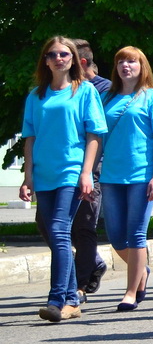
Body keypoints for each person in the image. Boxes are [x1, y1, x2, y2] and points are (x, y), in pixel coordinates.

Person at [20, 37, 108, 323]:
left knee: (59, 231)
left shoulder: (84, 92)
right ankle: (72, 298)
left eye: (65, 54)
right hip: (44, 175)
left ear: (73, 59)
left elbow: (94, 135)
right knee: (55, 234)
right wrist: (27, 177)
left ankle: (57, 299)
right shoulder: (36, 96)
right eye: (53, 54)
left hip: (72, 172)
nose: (59, 58)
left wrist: (86, 173)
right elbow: (30, 139)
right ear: (45, 60)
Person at [99, 47, 153, 311]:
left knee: (136, 235)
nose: (125, 66)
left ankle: (131, 292)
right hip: (110, 177)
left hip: (141, 176)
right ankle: (142, 270)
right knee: (117, 237)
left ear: (143, 66)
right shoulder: (106, 98)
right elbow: (97, 137)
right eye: (121, 61)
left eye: (131, 61)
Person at [70, 39, 111, 296]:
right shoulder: (63, 88)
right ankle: (93, 262)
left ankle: (80, 286)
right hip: (65, 164)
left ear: (82, 63)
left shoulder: (105, 89)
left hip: (94, 165)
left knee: (84, 224)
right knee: (50, 224)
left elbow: (100, 132)